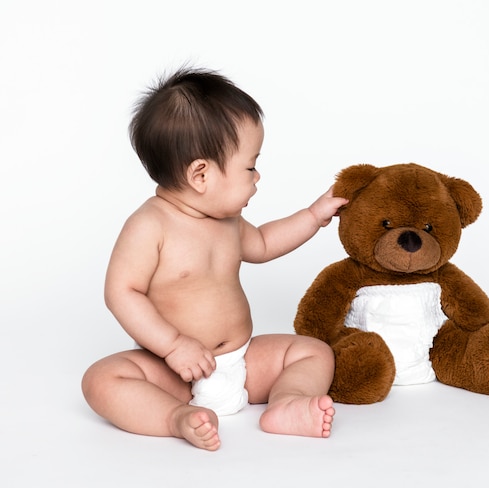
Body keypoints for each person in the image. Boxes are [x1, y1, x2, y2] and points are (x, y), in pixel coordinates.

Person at [81, 67, 348, 451]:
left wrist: (312, 216)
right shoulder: (149, 225)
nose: (257, 177)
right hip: (176, 374)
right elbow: (122, 292)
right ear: (200, 175)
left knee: (313, 352)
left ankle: (287, 403)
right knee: (102, 379)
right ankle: (175, 417)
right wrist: (173, 346)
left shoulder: (228, 220)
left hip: (242, 361)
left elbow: (264, 244)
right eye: (250, 166)